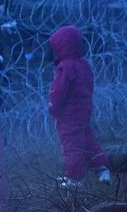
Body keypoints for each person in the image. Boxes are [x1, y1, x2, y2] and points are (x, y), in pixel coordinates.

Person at [48, 25, 111, 184]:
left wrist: (53, 108)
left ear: (62, 46)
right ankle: (103, 170)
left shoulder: (66, 68)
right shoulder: (84, 65)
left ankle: (74, 178)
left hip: (68, 115)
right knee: (88, 141)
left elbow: (59, 92)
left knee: (72, 145)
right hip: (83, 111)